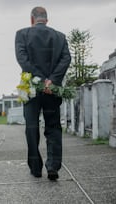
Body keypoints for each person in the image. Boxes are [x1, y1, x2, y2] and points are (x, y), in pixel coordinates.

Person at [15, 7, 71, 181]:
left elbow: (22, 59)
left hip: (31, 90)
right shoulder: (60, 37)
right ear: (47, 19)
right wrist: (51, 80)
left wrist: (39, 78)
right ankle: (53, 165)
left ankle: (36, 168)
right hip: (51, 90)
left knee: (31, 128)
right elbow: (66, 58)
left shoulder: (21, 34)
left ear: (32, 19)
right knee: (53, 127)